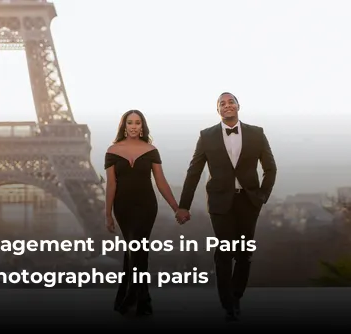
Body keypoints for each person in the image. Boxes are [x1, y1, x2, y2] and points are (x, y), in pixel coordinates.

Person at [175, 92, 277, 322]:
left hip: (249, 201)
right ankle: (228, 302)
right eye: (222, 103)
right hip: (220, 201)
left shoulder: (256, 133)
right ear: (218, 110)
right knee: (224, 249)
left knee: (244, 253)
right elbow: (194, 172)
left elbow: (271, 168)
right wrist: (183, 206)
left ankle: (236, 296)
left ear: (239, 106)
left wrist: (262, 196)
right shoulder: (206, 136)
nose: (227, 105)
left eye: (231, 101)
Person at [104, 109, 180, 316]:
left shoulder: (151, 150)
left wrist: (176, 207)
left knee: (137, 249)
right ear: (124, 126)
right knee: (135, 253)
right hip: (123, 208)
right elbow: (111, 185)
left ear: (143, 126)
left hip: (146, 206)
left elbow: (161, 182)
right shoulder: (112, 151)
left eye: (138, 123)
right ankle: (143, 301)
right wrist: (108, 213)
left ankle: (129, 298)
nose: (134, 126)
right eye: (130, 122)